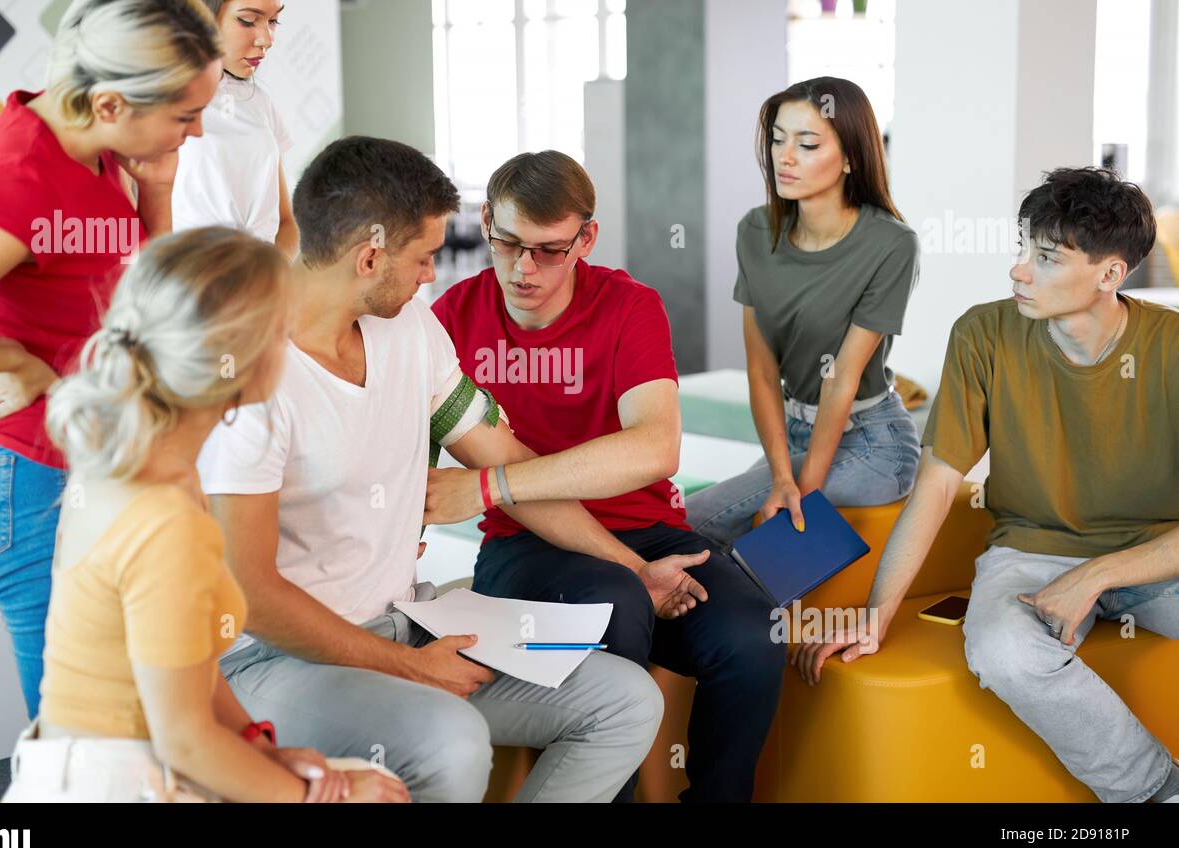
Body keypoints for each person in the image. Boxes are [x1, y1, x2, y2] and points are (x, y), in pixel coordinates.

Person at [199, 136, 669, 803]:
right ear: (369, 256)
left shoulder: (411, 330)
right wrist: (407, 666)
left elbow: (505, 464)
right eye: (423, 258)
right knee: (451, 739)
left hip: (407, 622)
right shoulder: (250, 373)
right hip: (276, 661)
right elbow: (248, 587)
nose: (432, 276)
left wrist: (635, 567)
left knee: (625, 701)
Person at [0, 0, 222, 718]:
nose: (194, 132)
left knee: (135, 717)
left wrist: (157, 188)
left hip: (84, 464)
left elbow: (141, 300)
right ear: (110, 102)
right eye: (185, 115)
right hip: (28, 485)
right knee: (84, 738)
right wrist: (11, 360)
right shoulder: (24, 186)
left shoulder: (90, 144)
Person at [793, 167, 1179, 804]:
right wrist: (875, 614)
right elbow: (938, 486)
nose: (1019, 271)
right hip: (1031, 554)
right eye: (1022, 248)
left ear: (1110, 274)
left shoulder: (1168, 349)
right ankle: (1156, 790)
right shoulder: (983, 333)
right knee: (1001, 650)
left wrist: (1098, 575)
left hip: (1152, 556)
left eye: (1046, 258)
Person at [425, 150, 784, 802]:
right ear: (485, 222)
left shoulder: (628, 306)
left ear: (586, 238)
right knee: (614, 602)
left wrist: (487, 486)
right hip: (525, 547)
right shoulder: (449, 320)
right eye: (506, 243)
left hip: (651, 531)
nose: (523, 267)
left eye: (549, 250)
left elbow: (655, 449)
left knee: (755, 635)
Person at [3, 227, 406, 803]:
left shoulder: (140, 464)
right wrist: (327, 797)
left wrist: (258, 745)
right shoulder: (169, 524)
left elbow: (182, 662)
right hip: (117, 783)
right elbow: (185, 743)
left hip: (84, 766)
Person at [686, 77, 922, 546]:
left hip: (873, 444)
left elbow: (841, 378)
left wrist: (801, 492)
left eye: (807, 144)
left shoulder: (891, 244)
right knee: (701, 527)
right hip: (793, 436)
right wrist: (780, 476)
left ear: (852, 157)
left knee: (698, 519)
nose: (784, 157)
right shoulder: (755, 231)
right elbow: (760, 369)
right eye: (777, 139)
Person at [172, 0, 299, 260]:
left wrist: (271, 282)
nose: (266, 39)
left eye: (273, 20)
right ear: (201, 10)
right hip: (191, 293)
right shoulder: (155, 100)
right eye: (248, 20)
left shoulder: (259, 103)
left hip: (261, 296)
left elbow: (285, 224)